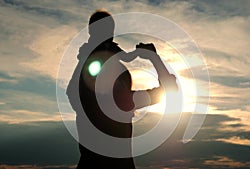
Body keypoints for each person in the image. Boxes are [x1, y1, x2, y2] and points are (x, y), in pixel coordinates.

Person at [66, 9, 177, 169]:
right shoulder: (119, 101)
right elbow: (170, 89)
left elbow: (72, 92)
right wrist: (153, 57)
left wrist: (84, 59)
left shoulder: (85, 94)